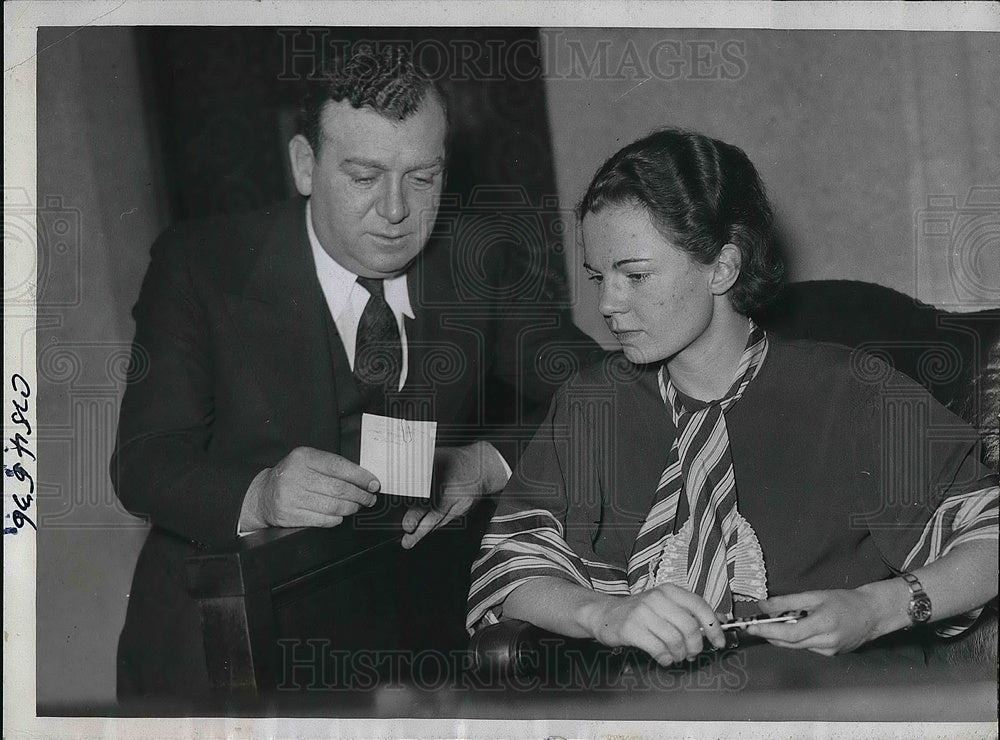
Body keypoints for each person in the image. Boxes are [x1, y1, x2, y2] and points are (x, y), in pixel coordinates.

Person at [111, 46, 596, 700]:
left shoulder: (477, 261)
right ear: (305, 165)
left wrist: (493, 462)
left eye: (422, 178)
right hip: (221, 647)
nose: (395, 212)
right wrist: (260, 493)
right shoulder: (202, 267)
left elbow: (605, 391)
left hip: (404, 649)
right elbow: (143, 462)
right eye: (364, 176)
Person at [467, 128, 999, 667]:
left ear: (723, 267)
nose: (607, 302)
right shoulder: (591, 403)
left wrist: (875, 608)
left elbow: (989, 535)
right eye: (597, 276)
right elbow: (512, 567)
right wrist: (605, 616)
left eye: (635, 275)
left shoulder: (854, 390)